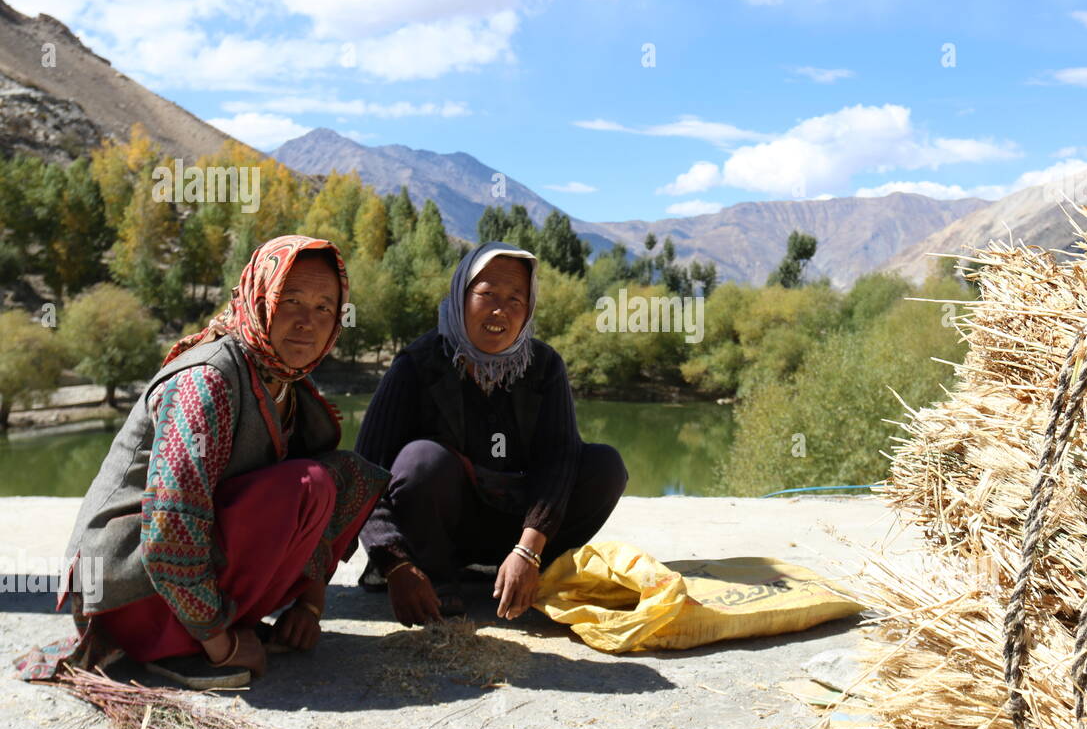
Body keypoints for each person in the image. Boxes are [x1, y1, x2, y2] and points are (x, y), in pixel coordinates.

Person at [17, 235, 389, 690]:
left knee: (343, 474)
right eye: (290, 300)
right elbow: (169, 526)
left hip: (173, 588)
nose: (307, 322)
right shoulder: (207, 380)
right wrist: (221, 644)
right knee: (308, 484)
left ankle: (210, 625)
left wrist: (310, 605)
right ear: (258, 297)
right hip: (129, 595)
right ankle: (182, 645)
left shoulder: (284, 381)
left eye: (324, 308)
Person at [355, 241, 628, 625]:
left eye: (517, 299)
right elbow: (364, 472)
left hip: (517, 526)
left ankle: (530, 568)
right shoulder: (417, 365)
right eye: (487, 294)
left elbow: (560, 459)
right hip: (437, 531)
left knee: (604, 465)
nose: (501, 310)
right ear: (460, 296)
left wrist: (529, 549)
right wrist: (394, 564)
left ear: (529, 308)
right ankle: (436, 576)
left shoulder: (544, 366)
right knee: (422, 461)